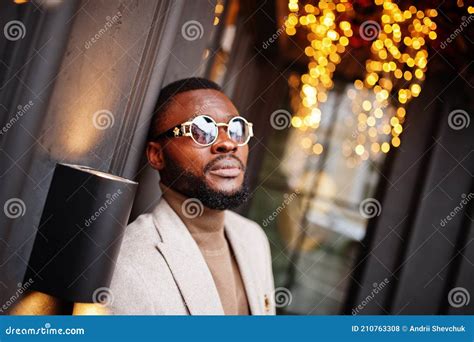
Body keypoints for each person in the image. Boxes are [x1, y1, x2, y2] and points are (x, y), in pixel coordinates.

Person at [109, 77, 275, 315]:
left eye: (235, 128)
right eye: (202, 130)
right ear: (157, 155)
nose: (228, 143)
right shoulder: (128, 266)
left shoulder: (254, 239)